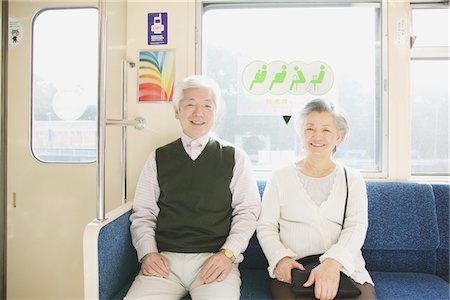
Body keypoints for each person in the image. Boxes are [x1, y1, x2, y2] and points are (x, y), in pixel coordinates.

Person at [124, 75, 261, 300]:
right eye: (190, 105)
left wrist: (228, 254)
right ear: (176, 111)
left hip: (215, 260)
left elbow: (248, 211)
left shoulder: (234, 157)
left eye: (207, 105)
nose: (199, 113)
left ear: (216, 113)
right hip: (165, 260)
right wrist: (148, 253)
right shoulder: (159, 157)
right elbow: (143, 213)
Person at [256, 99, 375, 300]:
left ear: (339, 136)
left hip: (345, 268)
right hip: (294, 269)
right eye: (310, 128)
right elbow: (265, 225)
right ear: (301, 132)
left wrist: (332, 263)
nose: (317, 136)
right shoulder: (280, 176)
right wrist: (281, 259)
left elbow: (356, 226)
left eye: (326, 130)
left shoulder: (352, 178)